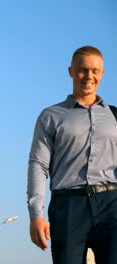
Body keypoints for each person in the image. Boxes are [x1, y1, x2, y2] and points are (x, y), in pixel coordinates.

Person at [27, 45, 117, 263]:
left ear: (102, 73)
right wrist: (36, 215)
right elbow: (38, 165)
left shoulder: (115, 117)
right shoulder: (51, 116)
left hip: (112, 203)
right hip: (68, 206)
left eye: (95, 71)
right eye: (83, 70)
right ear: (71, 71)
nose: (89, 76)